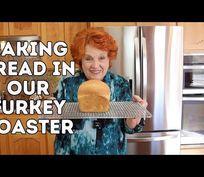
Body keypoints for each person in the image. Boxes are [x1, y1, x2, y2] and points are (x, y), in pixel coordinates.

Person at [52, 27, 147, 155]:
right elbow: (54, 127)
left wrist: (134, 117)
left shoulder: (120, 84)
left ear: (109, 59)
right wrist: (50, 114)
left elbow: (129, 128)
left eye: (101, 58)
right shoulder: (66, 84)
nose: (95, 65)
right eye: (88, 58)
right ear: (80, 60)